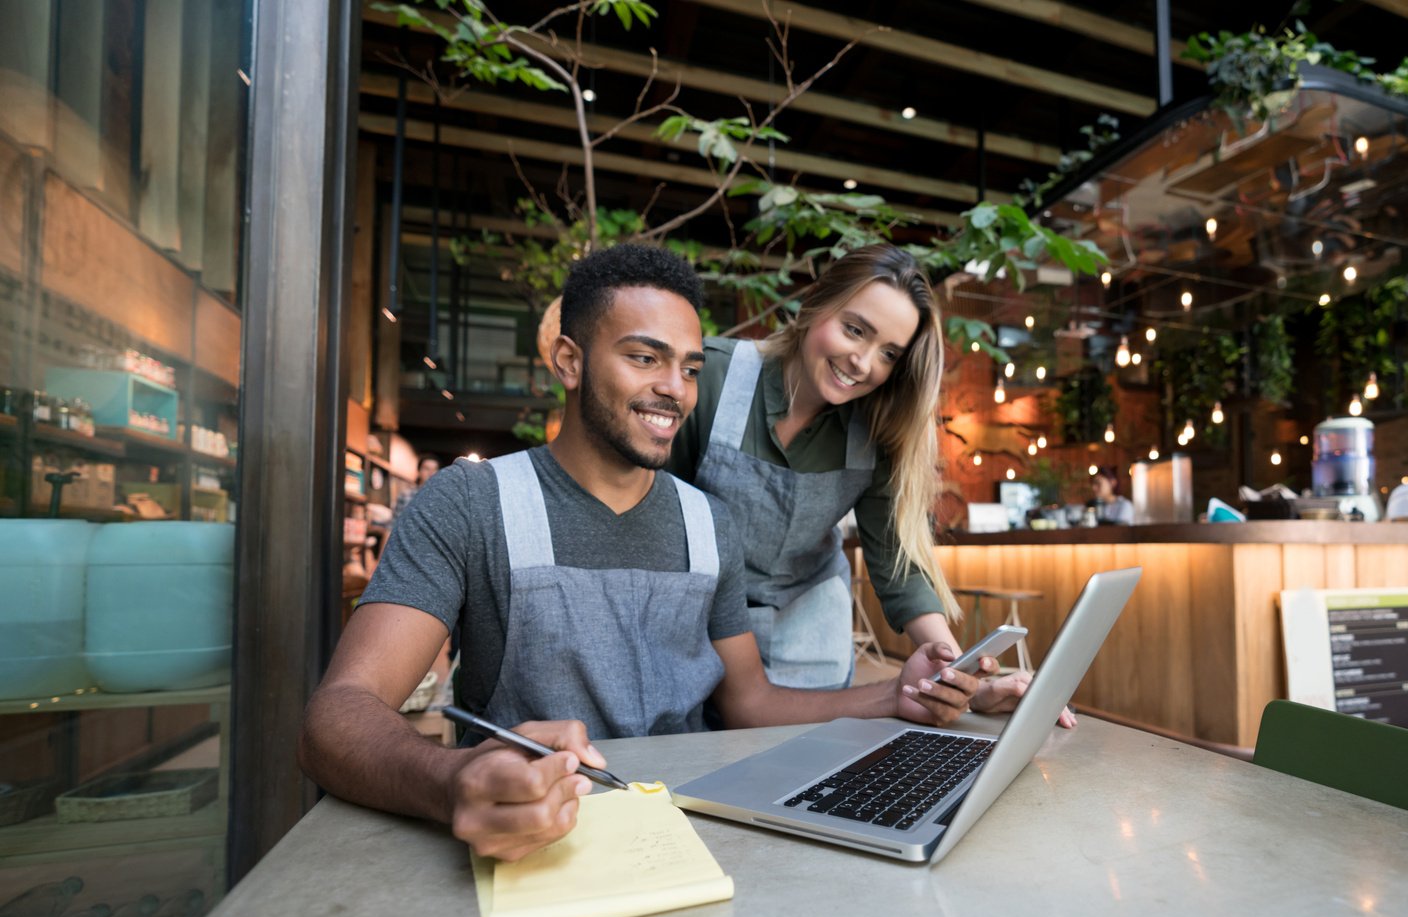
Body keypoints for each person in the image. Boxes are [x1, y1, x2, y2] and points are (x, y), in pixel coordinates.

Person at [299, 244, 1017, 862]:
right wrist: (449, 777)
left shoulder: (710, 525)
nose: (673, 389)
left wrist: (922, 684)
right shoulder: (471, 505)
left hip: (691, 812)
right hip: (533, 831)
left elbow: (756, 693)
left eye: (685, 368)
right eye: (644, 357)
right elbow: (337, 717)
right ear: (569, 361)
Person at [664, 243, 975, 691]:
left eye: (889, 354)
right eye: (854, 330)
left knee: (816, 755)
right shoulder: (710, 377)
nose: (863, 362)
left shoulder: (877, 426)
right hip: (698, 618)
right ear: (814, 304)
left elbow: (897, 562)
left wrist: (957, 672)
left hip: (809, 628)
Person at [391, 453, 441, 521]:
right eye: (427, 468)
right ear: (419, 471)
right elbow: (396, 521)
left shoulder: (442, 497)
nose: (431, 473)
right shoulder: (406, 495)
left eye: (434, 469)